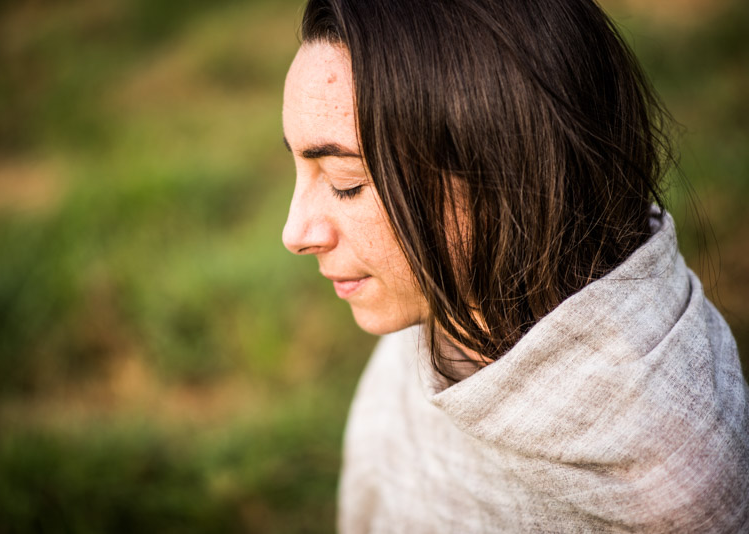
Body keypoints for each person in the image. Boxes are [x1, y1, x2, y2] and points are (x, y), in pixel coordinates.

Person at [281, 0, 749, 532]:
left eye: (345, 181)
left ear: (501, 169)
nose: (294, 233)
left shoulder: (670, 495)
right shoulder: (435, 320)